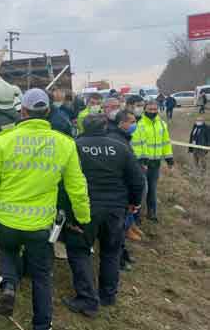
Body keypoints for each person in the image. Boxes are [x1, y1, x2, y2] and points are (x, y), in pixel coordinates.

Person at [0, 88, 91, 330]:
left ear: (23, 112)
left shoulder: (3, 140)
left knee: (8, 253)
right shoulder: (65, 144)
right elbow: (77, 187)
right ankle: (41, 329)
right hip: (40, 225)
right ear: (48, 111)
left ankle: (8, 286)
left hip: (5, 221)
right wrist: (83, 218)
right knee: (41, 275)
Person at [63, 114, 144, 317]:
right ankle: (107, 295)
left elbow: (62, 179)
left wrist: (65, 208)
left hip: (84, 208)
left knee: (79, 250)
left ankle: (87, 300)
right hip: (115, 208)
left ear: (83, 127)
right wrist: (134, 202)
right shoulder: (120, 146)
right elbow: (137, 179)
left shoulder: (74, 146)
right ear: (105, 126)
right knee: (111, 251)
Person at [107, 110, 144, 270]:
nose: (134, 125)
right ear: (122, 123)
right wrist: (134, 200)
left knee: (119, 230)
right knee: (118, 231)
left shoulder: (120, 138)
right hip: (119, 194)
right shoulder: (119, 141)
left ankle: (123, 256)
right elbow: (133, 177)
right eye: (132, 122)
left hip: (117, 193)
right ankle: (120, 260)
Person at [131, 100, 174, 222]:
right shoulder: (139, 124)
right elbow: (137, 144)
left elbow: (166, 142)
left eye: (155, 109)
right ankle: (136, 217)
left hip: (156, 163)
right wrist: (142, 160)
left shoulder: (162, 124)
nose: (153, 111)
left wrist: (169, 159)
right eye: (150, 109)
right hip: (142, 163)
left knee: (153, 190)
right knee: (142, 190)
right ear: (145, 110)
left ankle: (152, 213)